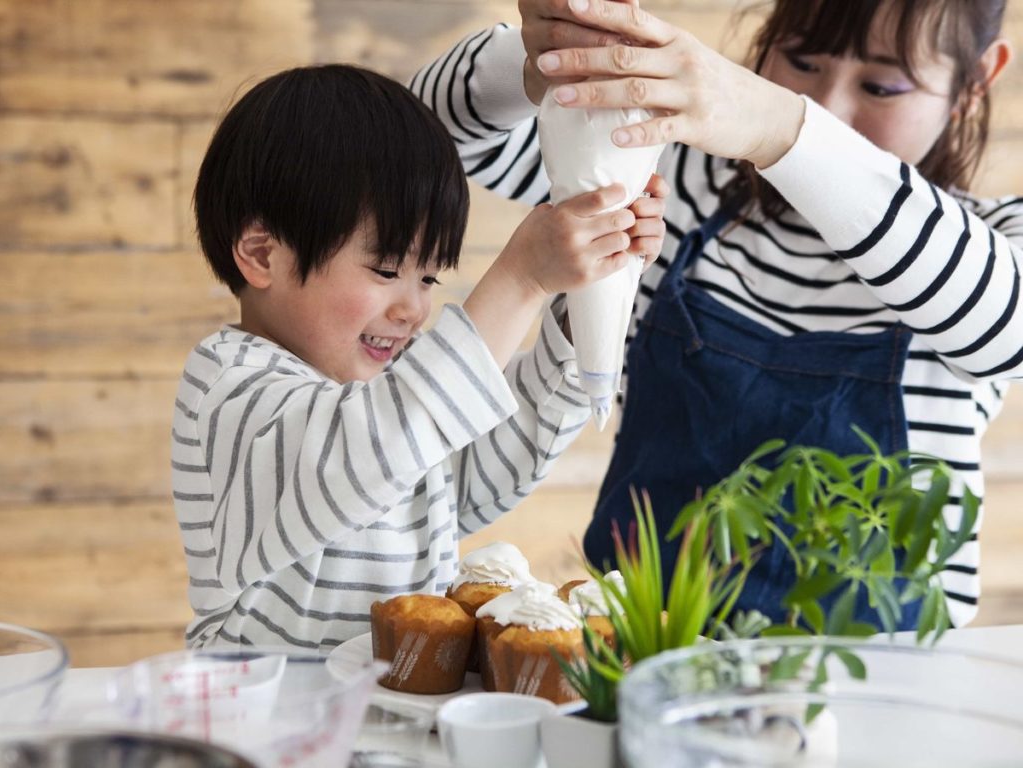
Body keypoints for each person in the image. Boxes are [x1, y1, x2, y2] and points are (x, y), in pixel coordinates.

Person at [411, 0, 1019, 628]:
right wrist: (541, 59)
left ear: (975, 83)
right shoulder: (674, 178)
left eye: (881, 86)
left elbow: (1007, 334)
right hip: (646, 653)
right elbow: (425, 134)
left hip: (876, 680)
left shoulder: (982, 244)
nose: (829, 106)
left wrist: (784, 127)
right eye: (801, 62)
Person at [171, 64, 667, 649]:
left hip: (387, 716)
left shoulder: (399, 405)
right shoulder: (229, 383)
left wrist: (581, 300)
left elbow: (487, 468)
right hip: (269, 722)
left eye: (428, 278)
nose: (413, 309)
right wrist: (521, 280)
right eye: (386, 270)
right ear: (262, 254)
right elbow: (370, 449)